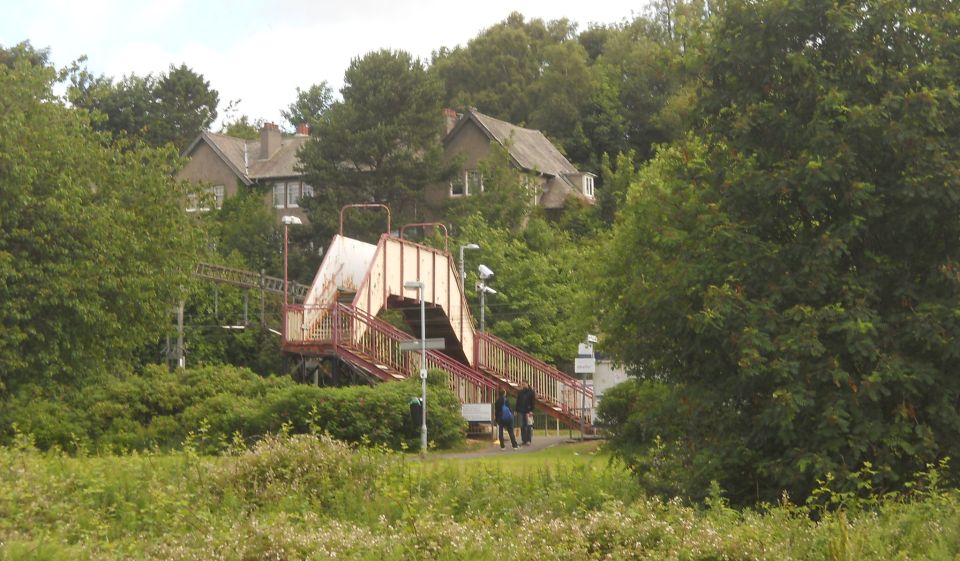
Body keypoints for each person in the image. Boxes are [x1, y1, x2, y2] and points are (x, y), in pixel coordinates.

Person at [516, 381, 536, 446]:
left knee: (528, 426)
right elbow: (518, 401)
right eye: (522, 384)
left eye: (524, 384)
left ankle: (528, 440)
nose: (523, 385)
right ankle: (523, 440)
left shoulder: (531, 392)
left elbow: (533, 402)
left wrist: (531, 410)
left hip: (528, 411)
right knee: (522, 426)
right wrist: (516, 410)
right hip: (521, 411)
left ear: (527, 384)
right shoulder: (520, 392)